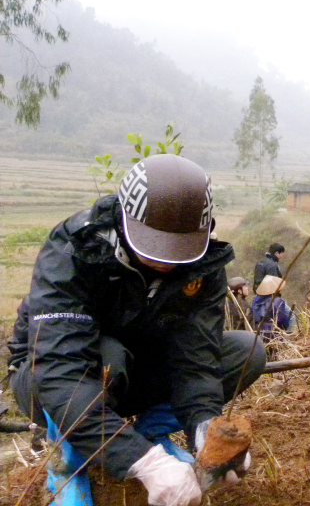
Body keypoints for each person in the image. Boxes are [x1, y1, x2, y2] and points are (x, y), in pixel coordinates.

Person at [7, 154, 266, 506]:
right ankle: (69, 461)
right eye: (156, 247)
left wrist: (205, 426)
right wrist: (140, 461)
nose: (167, 261)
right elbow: (57, 371)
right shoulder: (78, 249)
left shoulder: (201, 264)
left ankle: (151, 433)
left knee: (244, 351)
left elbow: (197, 359)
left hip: (135, 370)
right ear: (126, 220)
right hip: (52, 379)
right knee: (109, 355)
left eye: (180, 249)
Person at [251, 275, 292, 347]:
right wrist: (286, 328)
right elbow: (281, 319)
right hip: (274, 331)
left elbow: (255, 317)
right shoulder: (278, 301)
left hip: (260, 331)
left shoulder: (256, 301)